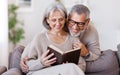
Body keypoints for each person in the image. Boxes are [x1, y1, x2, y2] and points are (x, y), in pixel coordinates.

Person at [21, 2, 85, 75]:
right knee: (70, 67)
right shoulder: (40, 37)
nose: (58, 24)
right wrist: (41, 63)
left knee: (70, 67)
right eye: (54, 20)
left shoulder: (73, 39)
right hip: (40, 72)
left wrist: (65, 68)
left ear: (65, 19)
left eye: (61, 19)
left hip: (65, 72)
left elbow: (82, 64)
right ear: (47, 20)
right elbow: (27, 65)